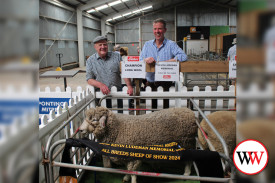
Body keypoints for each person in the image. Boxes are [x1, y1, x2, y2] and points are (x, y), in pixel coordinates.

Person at [140, 18, 187, 108]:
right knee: (152, 111)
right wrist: (146, 60)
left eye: (160, 29)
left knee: (166, 111)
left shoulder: (171, 44)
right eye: (155, 29)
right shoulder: (147, 45)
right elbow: (140, 60)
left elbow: (184, 56)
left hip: (166, 84)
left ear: (165, 30)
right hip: (151, 84)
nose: (157, 31)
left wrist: (170, 61)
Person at [86, 36, 133, 111]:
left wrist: (129, 86)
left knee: (119, 116)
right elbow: (89, 79)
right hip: (101, 96)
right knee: (104, 118)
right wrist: (101, 85)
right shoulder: (90, 60)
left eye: (105, 44)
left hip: (117, 93)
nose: (103, 47)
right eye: (100, 45)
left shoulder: (117, 56)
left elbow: (124, 71)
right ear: (95, 47)